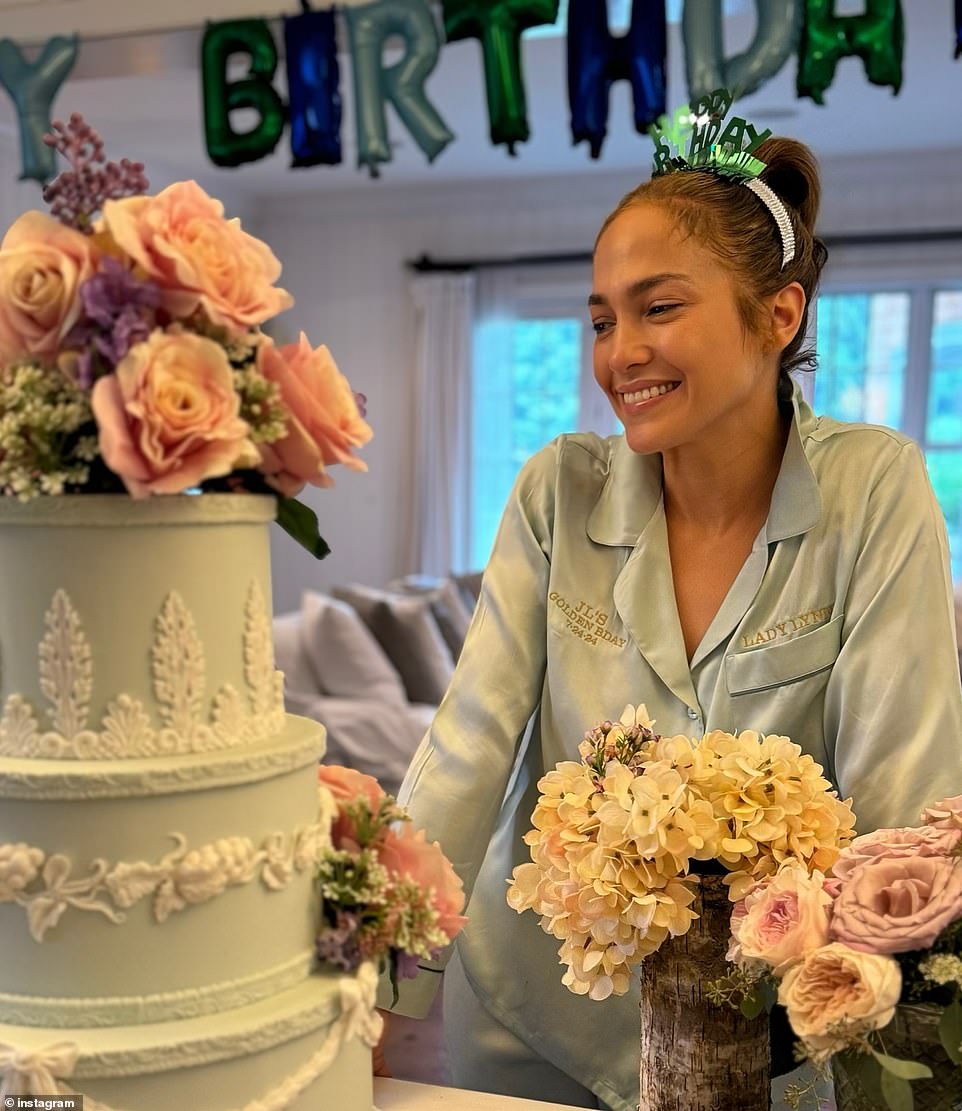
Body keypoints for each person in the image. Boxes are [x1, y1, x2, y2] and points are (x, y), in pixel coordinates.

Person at [375, 94, 962, 1111]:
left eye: (658, 307)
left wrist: (886, 1031)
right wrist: (376, 980)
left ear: (777, 315)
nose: (618, 353)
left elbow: (896, 784)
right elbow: (468, 744)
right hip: (538, 1024)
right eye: (602, 319)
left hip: (775, 1034)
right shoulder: (557, 491)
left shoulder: (872, 489)